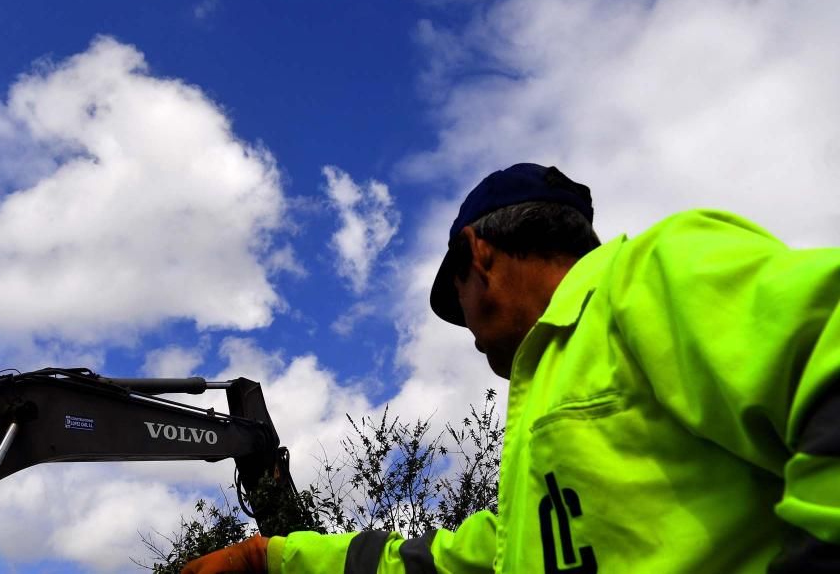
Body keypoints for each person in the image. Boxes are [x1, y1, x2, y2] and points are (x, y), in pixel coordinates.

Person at [183, 163, 840, 573]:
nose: (466, 327)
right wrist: (274, 557)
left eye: (457, 300)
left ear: (479, 254)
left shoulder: (646, 275)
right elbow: (443, 561)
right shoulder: (552, 402)